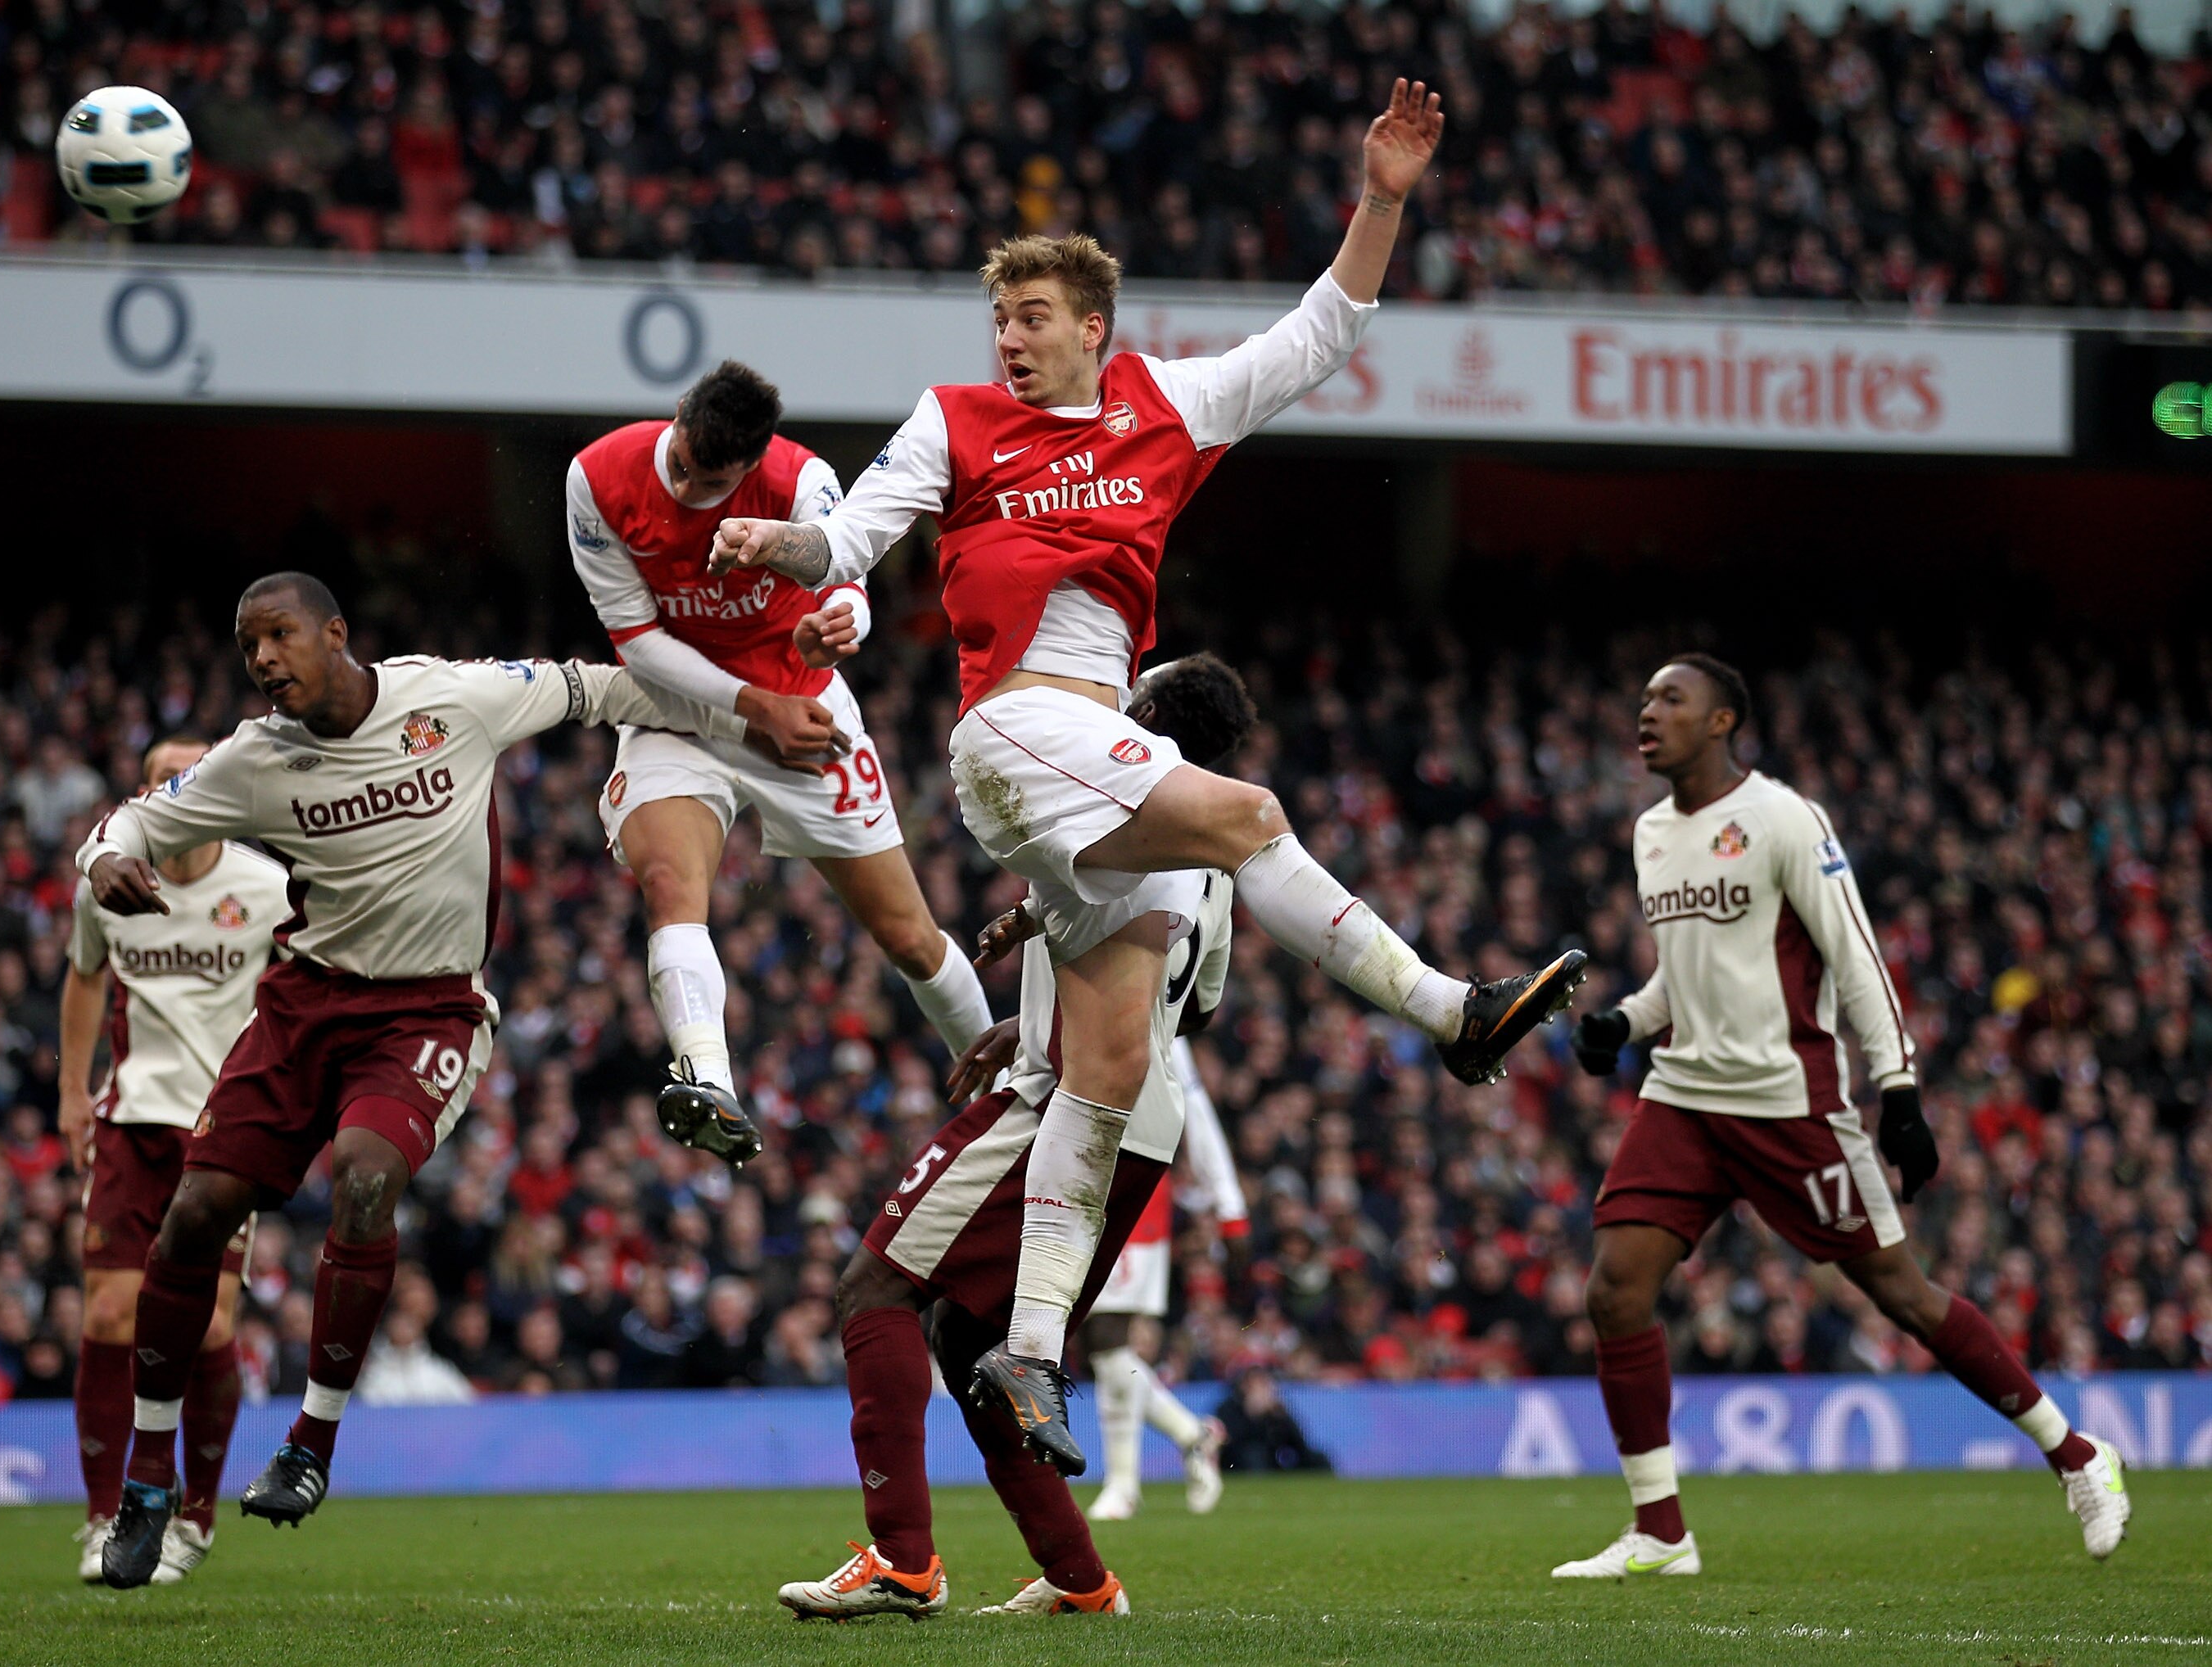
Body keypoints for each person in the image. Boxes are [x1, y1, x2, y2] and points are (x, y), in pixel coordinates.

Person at [709, 80, 1585, 1473]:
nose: (1010, 340)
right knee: (1246, 814)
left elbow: (1320, 335)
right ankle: (1451, 1012)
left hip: (1084, 772)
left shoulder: (1164, 407)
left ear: (1091, 329)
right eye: (1000, 320)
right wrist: (785, 554)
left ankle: (1033, 1352)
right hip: (1015, 732)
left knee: (1106, 1076)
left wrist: (1387, 197)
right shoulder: (953, 422)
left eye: (1033, 319)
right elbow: (855, 537)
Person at [75, 571, 762, 1588]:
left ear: (336, 633)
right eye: (246, 645)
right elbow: (132, 821)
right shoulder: (254, 759)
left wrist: (750, 710)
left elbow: (600, 687)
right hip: (301, 1008)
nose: (262, 659)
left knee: (363, 1173)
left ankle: (310, 1443)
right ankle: (144, 1481)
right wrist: (103, 860)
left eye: (278, 636)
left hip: (426, 1011)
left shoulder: (452, 699)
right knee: (192, 1214)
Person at [1553, 654, 2131, 1579]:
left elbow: (1857, 958)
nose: (1647, 708)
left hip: (1790, 1104)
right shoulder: (1652, 831)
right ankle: (1661, 1529)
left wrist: (1897, 1087)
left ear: (1722, 721)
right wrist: (1627, 1019)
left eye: (1672, 696)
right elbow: (1688, 971)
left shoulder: (1784, 818)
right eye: (1646, 694)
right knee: (1615, 1286)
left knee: (1902, 1295)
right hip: (1686, 1096)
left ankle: (2077, 1453)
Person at [777, 653, 1246, 1621]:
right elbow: (1193, 1006)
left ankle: (904, 1555)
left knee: (876, 1285)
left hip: (1061, 1103)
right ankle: (1079, 1579)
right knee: (970, 1336)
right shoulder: (1217, 852)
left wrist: (1051, 1028)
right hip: (1139, 1118)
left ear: (1146, 711)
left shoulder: (1102, 784)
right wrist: (1034, 1015)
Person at [565, 360, 994, 1147]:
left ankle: (1002, 1091)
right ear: (679, 418)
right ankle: (708, 1083)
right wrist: (752, 708)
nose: (692, 492)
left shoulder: (801, 480)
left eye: (714, 482)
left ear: (753, 463)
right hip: (681, 715)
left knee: (908, 935)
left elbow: (847, 585)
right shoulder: (598, 478)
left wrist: (839, 630)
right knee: (669, 882)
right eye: (685, 468)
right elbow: (637, 640)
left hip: (805, 713)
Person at [59, 733, 288, 1584]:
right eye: (159, 777)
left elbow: (301, 985)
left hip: (225, 1125)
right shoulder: (111, 877)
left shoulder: (264, 886)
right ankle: (99, 1518)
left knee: (214, 1328)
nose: (173, 789)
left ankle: (193, 1516)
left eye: (187, 776)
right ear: (144, 792)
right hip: (130, 1120)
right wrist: (72, 1092)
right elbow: (85, 975)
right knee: (111, 1315)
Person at [1081, 1023, 1243, 1521]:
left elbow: (1197, 1115)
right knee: (1102, 1346)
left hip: (1135, 1196)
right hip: (1079, 1187)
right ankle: (1194, 1435)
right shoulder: (1075, 1002)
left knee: (1108, 1338)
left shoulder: (1162, 1023)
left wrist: (1229, 1206)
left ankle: (1124, 1485)